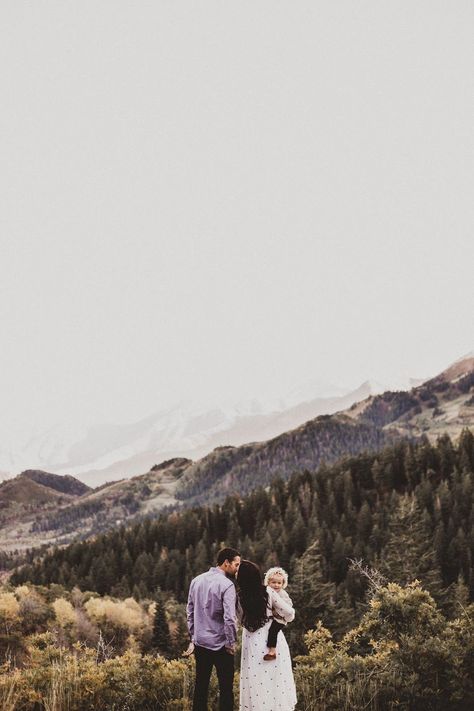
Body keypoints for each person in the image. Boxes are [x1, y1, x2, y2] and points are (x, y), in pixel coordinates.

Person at [237, 560, 296, 711]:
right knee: (275, 680)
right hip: (271, 636)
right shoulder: (268, 592)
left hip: (250, 638)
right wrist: (280, 618)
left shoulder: (239, 596)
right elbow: (289, 613)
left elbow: (238, 618)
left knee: (255, 679)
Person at [186, 547, 241, 711]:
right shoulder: (227, 585)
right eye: (236, 565)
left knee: (200, 687)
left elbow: (190, 611)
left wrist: (193, 637)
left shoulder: (196, 580)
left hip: (201, 643)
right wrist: (231, 642)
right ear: (226, 563)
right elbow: (230, 618)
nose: (237, 569)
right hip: (222, 645)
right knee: (225, 689)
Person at [262, 566, 293, 661]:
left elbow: (288, 606)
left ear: (283, 583)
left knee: (273, 631)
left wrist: (278, 611)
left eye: (279, 583)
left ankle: (272, 651)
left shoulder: (282, 594)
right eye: (273, 582)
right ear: (268, 582)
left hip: (280, 619)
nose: (276, 585)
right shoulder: (267, 592)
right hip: (272, 617)